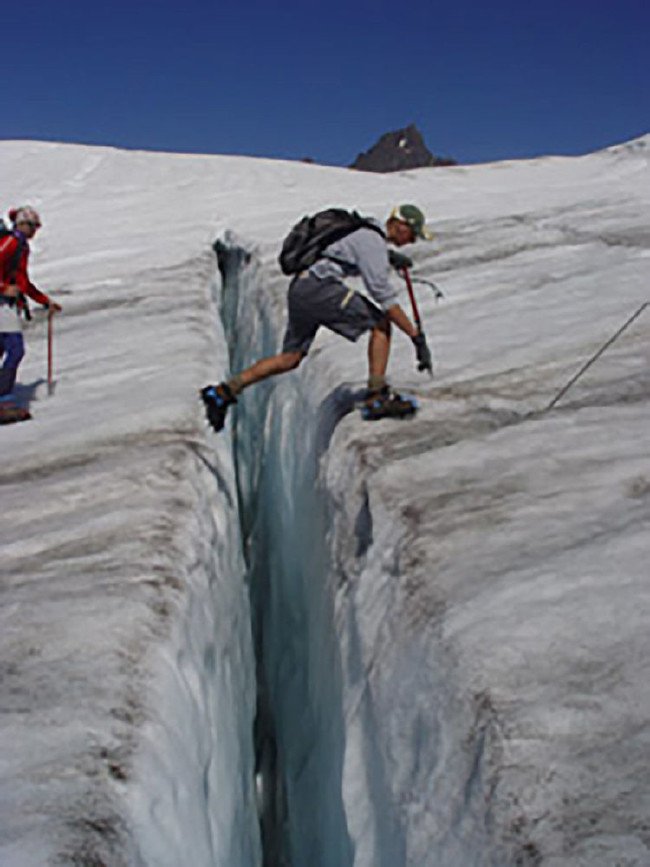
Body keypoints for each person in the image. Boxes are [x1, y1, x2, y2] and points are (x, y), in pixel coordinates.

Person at [201, 203, 433, 432]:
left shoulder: (365, 234)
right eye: (413, 235)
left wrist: (389, 257)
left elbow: (348, 251)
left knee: (290, 358)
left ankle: (223, 392)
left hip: (301, 289)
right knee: (381, 323)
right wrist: (415, 336)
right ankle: (376, 397)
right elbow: (384, 297)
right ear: (401, 226)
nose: (412, 242)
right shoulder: (371, 241)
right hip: (320, 289)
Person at [0, 206, 61, 402]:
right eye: (33, 226)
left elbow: (22, 281)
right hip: (2, 303)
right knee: (15, 348)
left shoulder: (20, 245)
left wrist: (44, 301)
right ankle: (3, 398)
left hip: (7, 304)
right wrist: (3, 289)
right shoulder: (11, 242)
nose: (35, 231)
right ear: (22, 224)